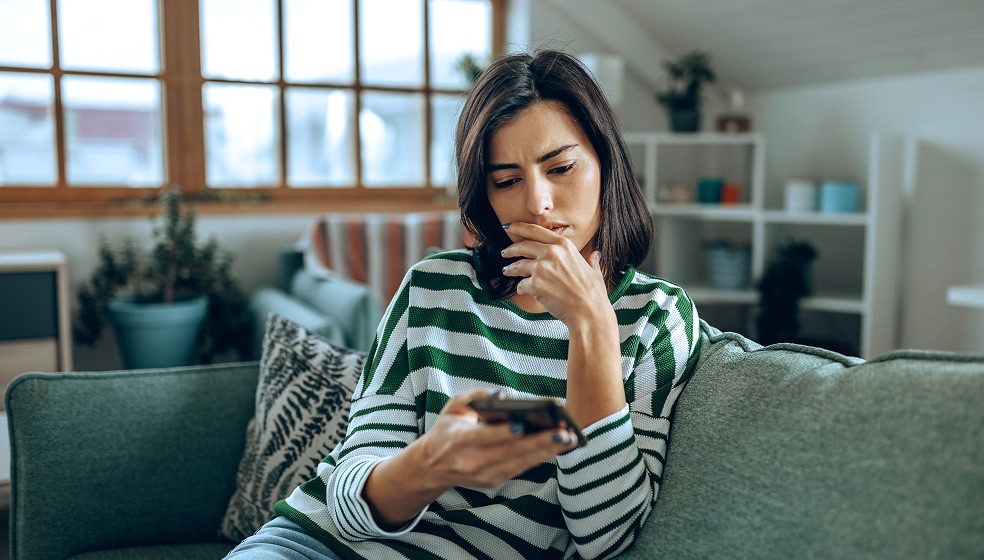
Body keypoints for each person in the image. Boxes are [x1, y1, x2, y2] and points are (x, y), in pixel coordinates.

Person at [226, 48, 701, 560]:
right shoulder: (434, 286)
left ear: (607, 164)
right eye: (507, 180)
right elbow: (347, 504)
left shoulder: (657, 319)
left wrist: (592, 325)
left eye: (560, 167)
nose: (537, 202)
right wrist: (433, 464)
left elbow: (606, 538)